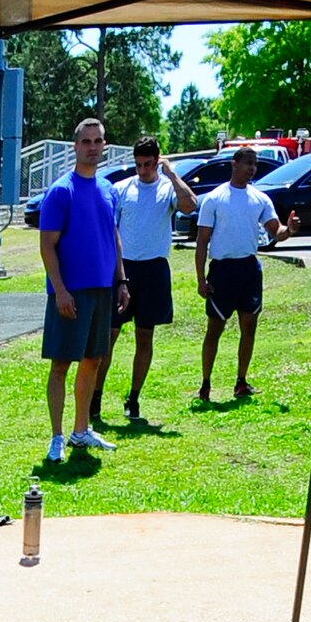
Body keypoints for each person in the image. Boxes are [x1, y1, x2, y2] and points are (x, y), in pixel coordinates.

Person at [38, 119, 128, 463]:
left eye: (98, 141)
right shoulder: (61, 191)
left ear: (104, 145)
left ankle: (81, 430)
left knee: (92, 360)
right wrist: (60, 290)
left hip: (102, 290)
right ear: (75, 146)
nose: (92, 147)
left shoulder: (108, 189)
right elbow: (47, 245)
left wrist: (121, 280)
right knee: (61, 364)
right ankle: (57, 436)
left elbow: (113, 237)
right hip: (70, 292)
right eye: (86, 141)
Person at [99, 136, 197, 420]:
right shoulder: (122, 189)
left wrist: (172, 174)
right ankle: (95, 396)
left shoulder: (167, 188)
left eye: (148, 164)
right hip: (124, 268)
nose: (143, 170)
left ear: (158, 160)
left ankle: (133, 397)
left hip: (154, 269)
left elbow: (190, 205)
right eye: (139, 164)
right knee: (110, 336)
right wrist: (118, 276)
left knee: (145, 335)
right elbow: (111, 232)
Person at [195, 146, 298, 402]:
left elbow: (277, 232)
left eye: (255, 164)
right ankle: (206, 383)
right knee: (215, 329)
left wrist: (290, 229)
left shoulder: (260, 199)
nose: (252, 168)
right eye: (248, 163)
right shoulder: (215, 198)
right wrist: (201, 279)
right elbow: (201, 242)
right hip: (222, 270)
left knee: (249, 327)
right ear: (234, 164)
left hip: (249, 269)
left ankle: (241, 381)